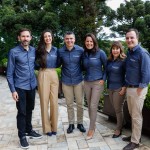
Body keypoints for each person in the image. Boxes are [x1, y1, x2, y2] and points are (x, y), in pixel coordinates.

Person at [6, 28, 42, 149]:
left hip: (32, 85)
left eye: (27, 36)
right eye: (23, 36)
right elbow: (9, 73)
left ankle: (29, 130)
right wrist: (13, 90)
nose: (25, 38)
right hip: (20, 86)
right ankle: (22, 136)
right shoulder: (13, 52)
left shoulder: (33, 51)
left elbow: (36, 65)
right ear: (19, 38)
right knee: (21, 112)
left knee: (30, 109)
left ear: (31, 38)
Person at [122, 28, 150, 150]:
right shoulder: (130, 52)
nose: (129, 40)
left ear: (137, 38)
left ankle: (135, 141)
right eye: (127, 38)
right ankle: (135, 136)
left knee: (136, 116)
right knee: (131, 114)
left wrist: (141, 86)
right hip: (130, 88)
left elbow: (146, 71)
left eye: (132, 37)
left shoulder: (143, 53)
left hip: (138, 89)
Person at [58, 31, 86, 134]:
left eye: (71, 38)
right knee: (69, 104)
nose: (69, 40)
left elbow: (84, 64)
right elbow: (57, 64)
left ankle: (80, 123)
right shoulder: (60, 51)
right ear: (64, 40)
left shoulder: (80, 50)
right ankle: (71, 124)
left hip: (78, 80)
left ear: (74, 39)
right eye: (67, 39)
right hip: (66, 81)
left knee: (80, 104)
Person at [82, 33, 107, 140]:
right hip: (87, 82)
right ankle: (93, 124)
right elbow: (81, 67)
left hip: (98, 82)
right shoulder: (84, 54)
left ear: (94, 42)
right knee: (89, 105)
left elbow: (107, 67)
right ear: (85, 42)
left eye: (91, 41)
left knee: (93, 106)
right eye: (87, 41)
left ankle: (91, 129)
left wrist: (103, 79)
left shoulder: (100, 53)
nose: (89, 43)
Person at [36, 29, 59, 136]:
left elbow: (59, 63)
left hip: (54, 73)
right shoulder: (39, 50)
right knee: (44, 102)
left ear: (52, 37)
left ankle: (54, 127)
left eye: (49, 36)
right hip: (43, 73)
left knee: (54, 102)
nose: (48, 38)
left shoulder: (56, 50)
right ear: (43, 38)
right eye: (45, 36)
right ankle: (47, 128)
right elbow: (35, 63)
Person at [107, 41, 126, 138]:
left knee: (118, 109)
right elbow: (106, 73)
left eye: (117, 48)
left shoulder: (123, 61)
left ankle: (119, 129)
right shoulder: (109, 60)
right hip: (110, 87)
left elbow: (128, 75)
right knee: (115, 108)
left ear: (120, 50)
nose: (115, 50)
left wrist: (124, 87)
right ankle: (123, 122)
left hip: (119, 88)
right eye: (113, 49)